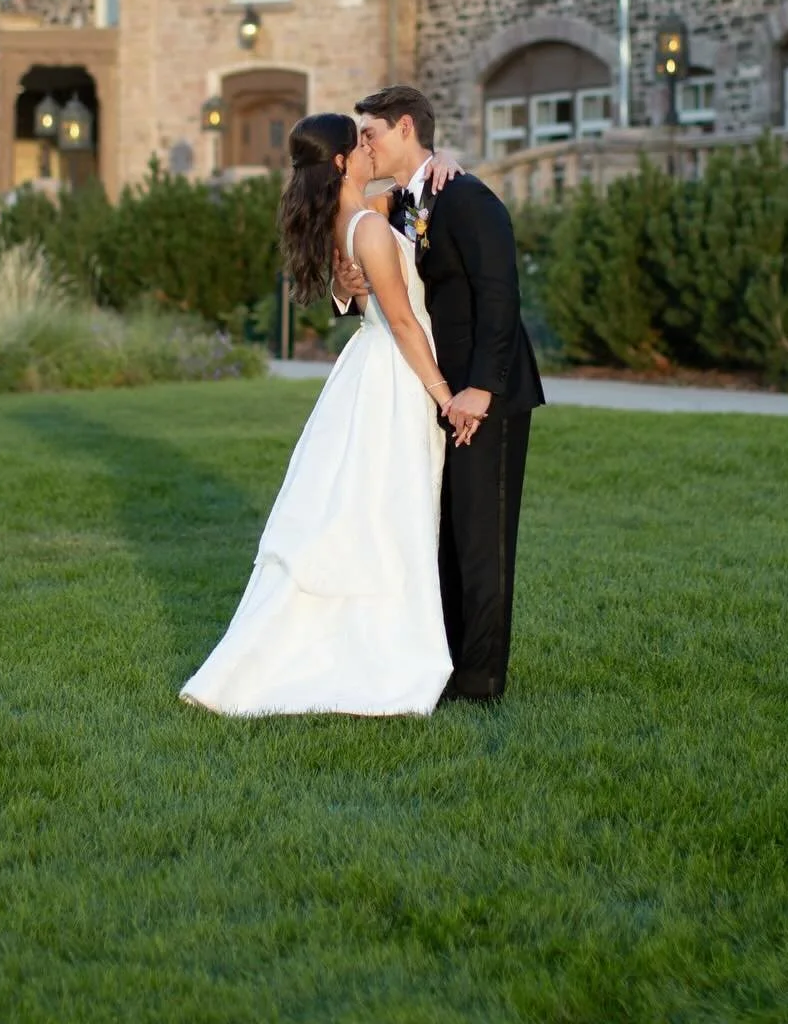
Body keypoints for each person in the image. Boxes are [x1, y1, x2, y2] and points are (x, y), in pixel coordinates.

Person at [179, 113, 470, 717]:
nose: (369, 148)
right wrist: (445, 396)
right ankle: (378, 659)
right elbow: (404, 322)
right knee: (387, 515)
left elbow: (404, 199)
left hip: (368, 370)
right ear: (340, 162)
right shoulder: (365, 227)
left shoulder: (355, 218)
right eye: (359, 143)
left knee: (368, 512)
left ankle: (372, 643)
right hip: (392, 375)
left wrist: (439, 163)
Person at [337, 86, 544, 704]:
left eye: (370, 133)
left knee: (482, 537)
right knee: (443, 533)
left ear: (405, 127)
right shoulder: (400, 203)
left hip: (485, 394)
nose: (363, 145)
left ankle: (480, 680)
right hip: (431, 390)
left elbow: (500, 296)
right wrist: (350, 283)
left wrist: (479, 389)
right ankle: (446, 663)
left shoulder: (469, 197)